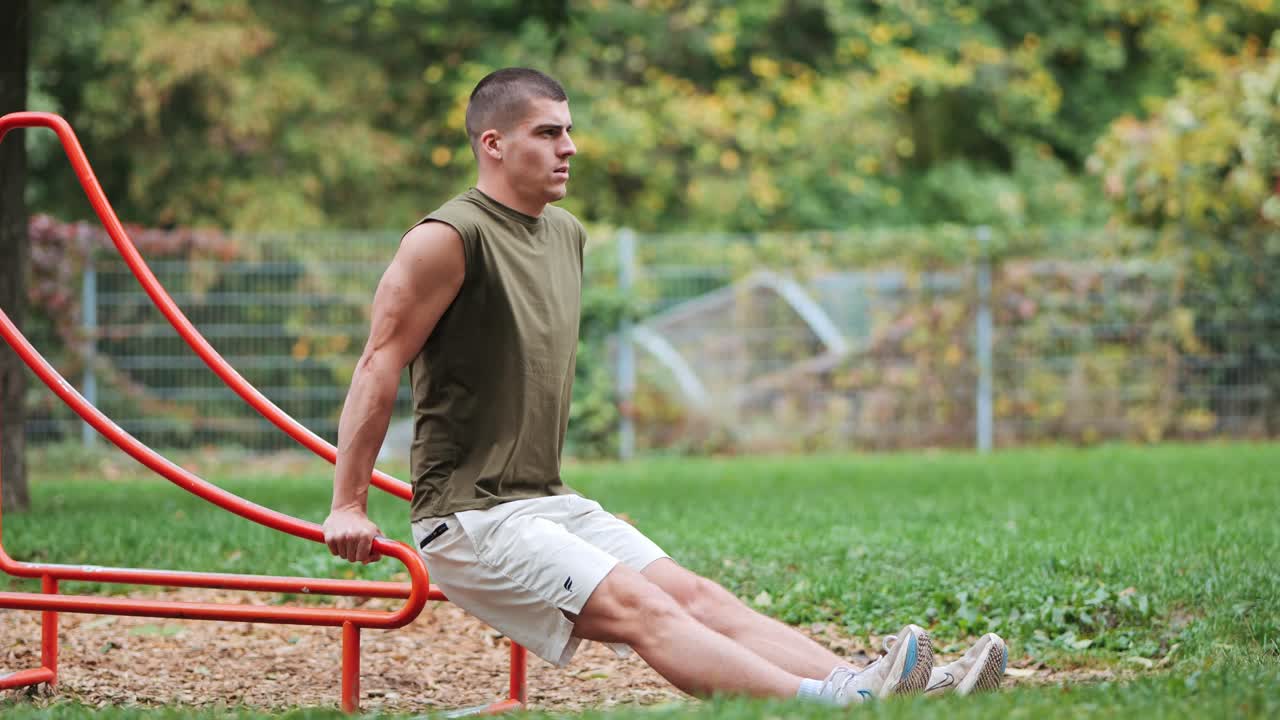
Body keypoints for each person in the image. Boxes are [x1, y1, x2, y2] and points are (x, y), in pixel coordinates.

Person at [321, 67, 1005, 706]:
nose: (571, 147)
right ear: (493, 144)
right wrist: (348, 503)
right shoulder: (447, 237)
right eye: (549, 133)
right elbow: (379, 363)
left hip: (546, 501)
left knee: (700, 597)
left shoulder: (564, 234)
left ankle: (872, 685)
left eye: (569, 129)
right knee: (643, 610)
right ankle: (834, 704)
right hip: (472, 519)